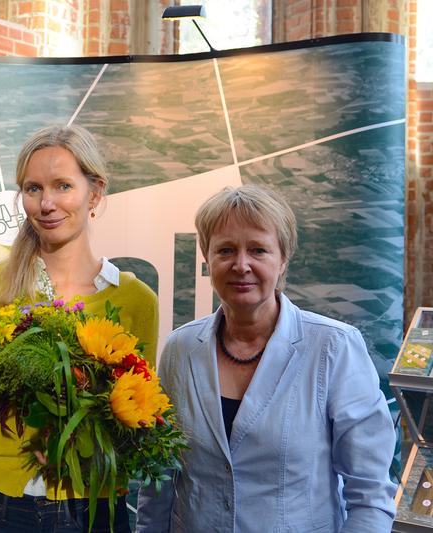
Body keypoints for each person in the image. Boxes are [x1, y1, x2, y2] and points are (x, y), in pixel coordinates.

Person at [135, 185, 397, 532]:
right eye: (225, 250)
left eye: (258, 250)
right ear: (207, 257)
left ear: (283, 258)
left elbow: (370, 497)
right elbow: (159, 484)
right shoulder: (179, 350)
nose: (241, 265)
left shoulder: (334, 348)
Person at [0, 124, 159, 532]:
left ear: (95, 193)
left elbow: (139, 416)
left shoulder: (136, 301)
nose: (47, 203)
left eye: (63, 186)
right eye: (33, 189)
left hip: (92, 507)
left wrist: (85, 447)